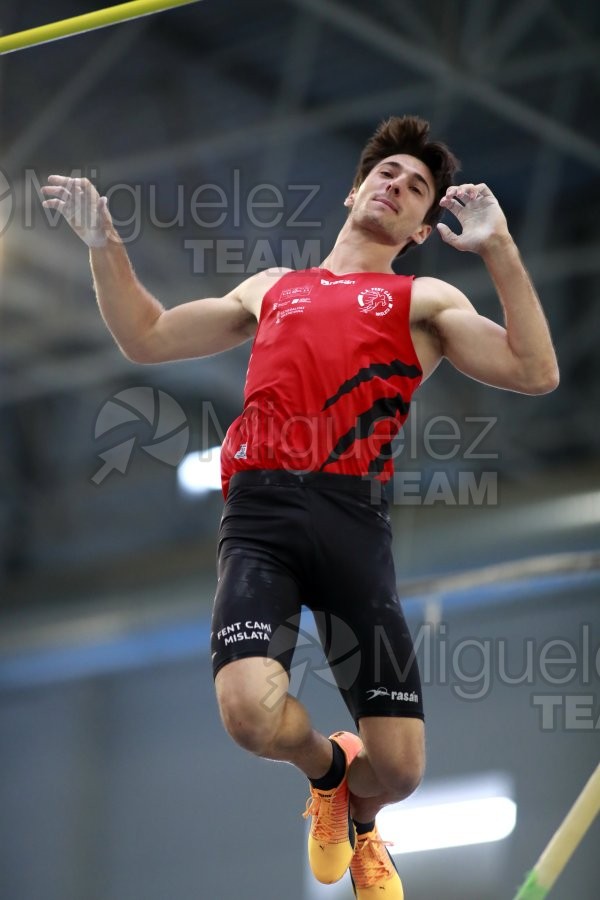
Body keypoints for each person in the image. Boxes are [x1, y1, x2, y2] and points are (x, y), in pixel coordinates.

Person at [42, 116, 559, 898]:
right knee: (250, 715)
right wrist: (101, 243)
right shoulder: (270, 288)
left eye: (417, 188)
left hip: (354, 523)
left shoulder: (422, 296)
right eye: (386, 172)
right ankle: (330, 773)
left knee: (405, 770)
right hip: (262, 518)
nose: (397, 185)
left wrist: (499, 248)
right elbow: (146, 337)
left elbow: (535, 370)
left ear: (423, 229)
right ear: (355, 189)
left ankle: (361, 812)